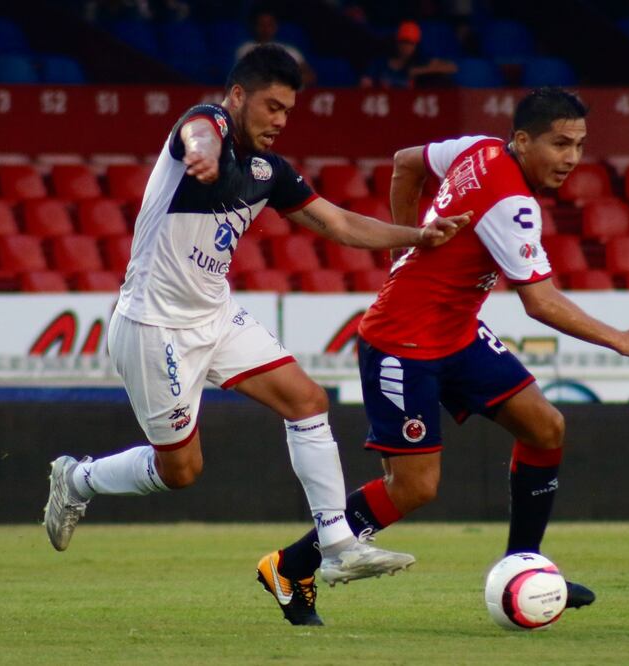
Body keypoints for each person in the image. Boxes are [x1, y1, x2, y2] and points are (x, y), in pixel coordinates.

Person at [43, 44, 470, 622]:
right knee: (182, 473)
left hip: (215, 317)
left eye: (288, 111)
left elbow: (340, 224)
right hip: (153, 324)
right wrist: (202, 156)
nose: (279, 120)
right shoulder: (207, 128)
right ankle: (80, 478)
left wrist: (417, 236)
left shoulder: (270, 173)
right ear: (238, 95)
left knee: (307, 399)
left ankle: (339, 544)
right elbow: (197, 132)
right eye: (271, 106)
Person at [261, 87, 629, 625]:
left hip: (455, 333)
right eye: (559, 144)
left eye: (579, 144)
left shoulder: (478, 148)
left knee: (544, 427)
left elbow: (405, 164)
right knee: (414, 487)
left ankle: (524, 565)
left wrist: (402, 251)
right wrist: (622, 339)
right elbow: (540, 302)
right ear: (523, 141)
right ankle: (291, 566)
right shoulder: (512, 204)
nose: (571, 158)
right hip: (400, 343)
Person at [360, 20, 457, 89]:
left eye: (411, 43)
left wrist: (419, 70)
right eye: (404, 42)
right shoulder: (379, 63)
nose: (406, 47)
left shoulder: (420, 61)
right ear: (397, 42)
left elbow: (452, 67)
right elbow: (365, 83)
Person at [234, 10, 317, 86]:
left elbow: (309, 76)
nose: (265, 29)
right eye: (261, 24)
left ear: (275, 26)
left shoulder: (289, 51)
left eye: (269, 25)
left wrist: (286, 83)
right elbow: (240, 77)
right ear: (254, 26)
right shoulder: (245, 49)